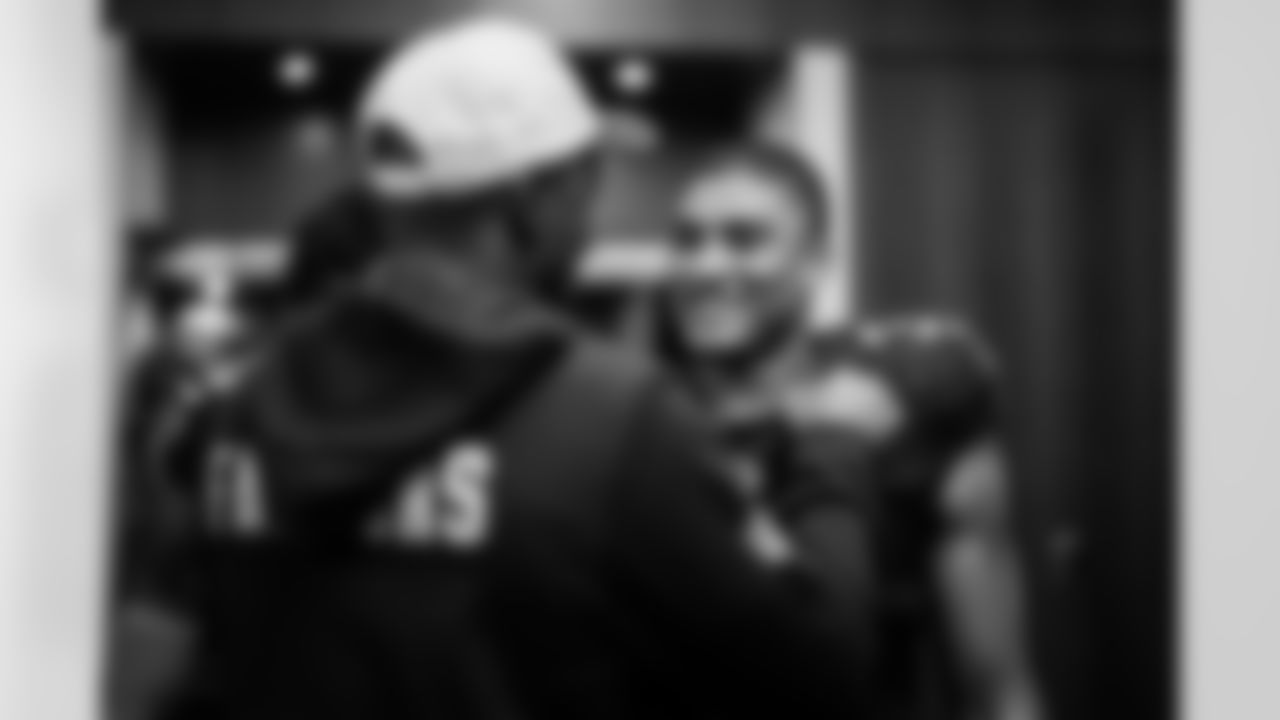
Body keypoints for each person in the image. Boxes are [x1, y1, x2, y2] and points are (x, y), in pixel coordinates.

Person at [160, 17, 873, 720]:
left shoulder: (240, 411)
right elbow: (826, 676)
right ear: (542, 198)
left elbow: (193, 667)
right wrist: (830, 453)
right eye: (587, 183)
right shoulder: (610, 420)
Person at [654, 140, 1046, 720]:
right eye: (687, 241)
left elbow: (997, 686)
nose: (706, 267)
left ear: (816, 260)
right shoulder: (633, 421)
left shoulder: (908, 402)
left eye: (745, 239)